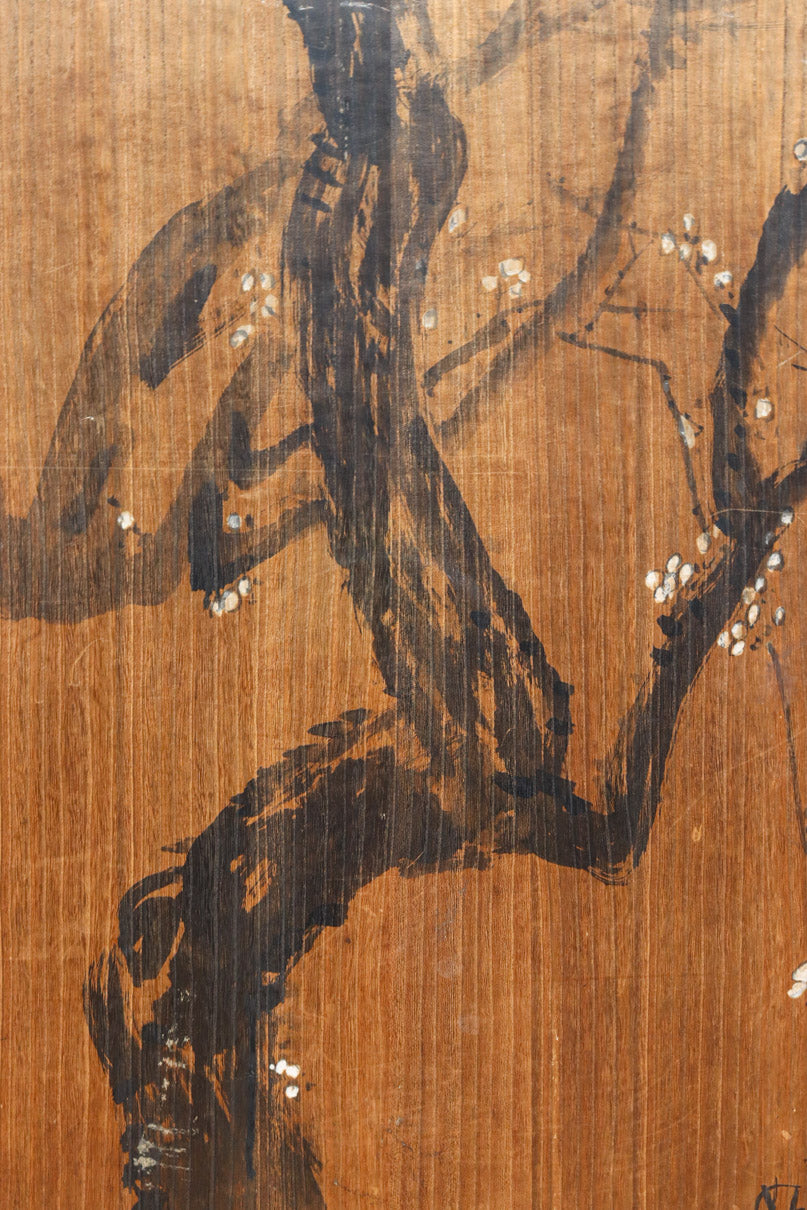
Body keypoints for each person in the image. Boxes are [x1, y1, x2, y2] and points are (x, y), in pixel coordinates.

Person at [5, 0, 806, 1204]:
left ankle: (194, 1042)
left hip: (458, 712)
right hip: (435, 708)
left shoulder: (395, 197)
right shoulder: (336, 236)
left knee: (455, 748)